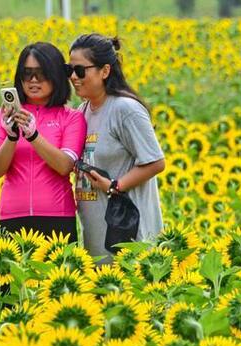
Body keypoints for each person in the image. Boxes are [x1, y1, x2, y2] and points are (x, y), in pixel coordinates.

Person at [68, 34, 165, 262]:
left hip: (130, 241)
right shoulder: (83, 111)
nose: (73, 77)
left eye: (80, 70)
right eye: (69, 70)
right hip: (96, 238)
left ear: (105, 71)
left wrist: (115, 185)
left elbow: (155, 161)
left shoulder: (125, 109)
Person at [0, 42, 86, 241]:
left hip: (57, 216)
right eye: (27, 73)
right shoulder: (2, 116)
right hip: (12, 215)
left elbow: (64, 166)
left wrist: (33, 136)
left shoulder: (71, 118)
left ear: (56, 75)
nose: (33, 80)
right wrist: (12, 137)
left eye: (41, 74)